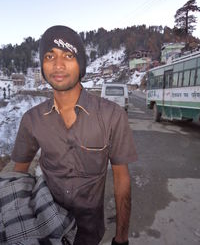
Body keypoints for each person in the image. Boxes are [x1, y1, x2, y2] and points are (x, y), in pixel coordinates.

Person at [11, 25, 137, 245]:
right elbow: (18, 177)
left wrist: (122, 238)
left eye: (68, 55)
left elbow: (121, 179)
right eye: (50, 56)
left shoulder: (112, 116)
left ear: (81, 64)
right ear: (42, 65)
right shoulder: (31, 120)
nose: (58, 64)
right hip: (46, 232)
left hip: (89, 233)